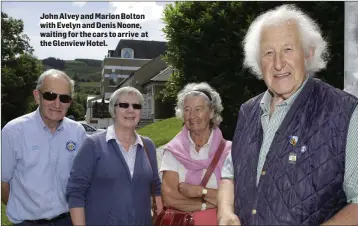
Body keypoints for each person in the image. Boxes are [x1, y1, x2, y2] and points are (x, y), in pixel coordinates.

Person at [217, 4, 358, 226]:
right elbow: (229, 174)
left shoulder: (346, 112)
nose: (278, 63)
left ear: (308, 53)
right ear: (258, 62)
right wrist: (225, 213)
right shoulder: (248, 112)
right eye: (268, 53)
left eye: (288, 49)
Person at [66, 86, 163, 226]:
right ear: (113, 110)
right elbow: (76, 192)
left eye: (136, 106)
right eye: (124, 105)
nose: (130, 110)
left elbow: (156, 188)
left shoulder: (148, 146)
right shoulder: (93, 145)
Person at [1, 69, 87, 226]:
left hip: (67, 221)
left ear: (70, 102)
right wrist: (25, 212)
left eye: (64, 98)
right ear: (36, 96)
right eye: (50, 95)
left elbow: (83, 181)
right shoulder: (13, 131)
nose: (57, 103)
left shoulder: (77, 132)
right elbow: (2, 183)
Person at [160, 82, 231, 225]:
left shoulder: (229, 151)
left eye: (198, 109)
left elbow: (237, 197)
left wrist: (200, 192)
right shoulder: (174, 150)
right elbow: (169, 198)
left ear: (211, 112)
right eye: (187, 109)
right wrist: (212, 203)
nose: (192, 116)